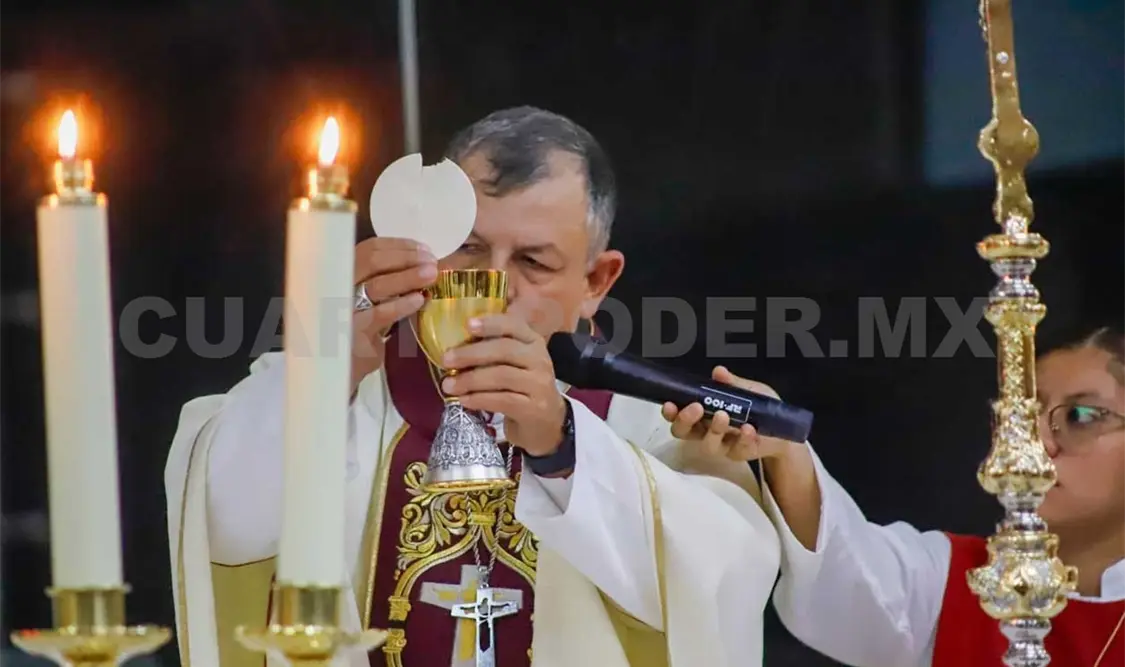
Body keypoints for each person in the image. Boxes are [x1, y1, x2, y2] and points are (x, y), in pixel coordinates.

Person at [165, 106, 785, 667]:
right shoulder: (343, 399)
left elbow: (723, 584)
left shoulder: (652, 428)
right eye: (466, 249)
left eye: (533, 262)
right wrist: (322, 372)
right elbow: (223, 513)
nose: (494, 283)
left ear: (596, 280)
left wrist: (564, 446)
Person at [695, 324, 1125, 667]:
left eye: (1082, 416)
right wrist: (784, 447)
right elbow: (848, 572)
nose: (1036, 445)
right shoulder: (958, 582)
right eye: (1023, 417)